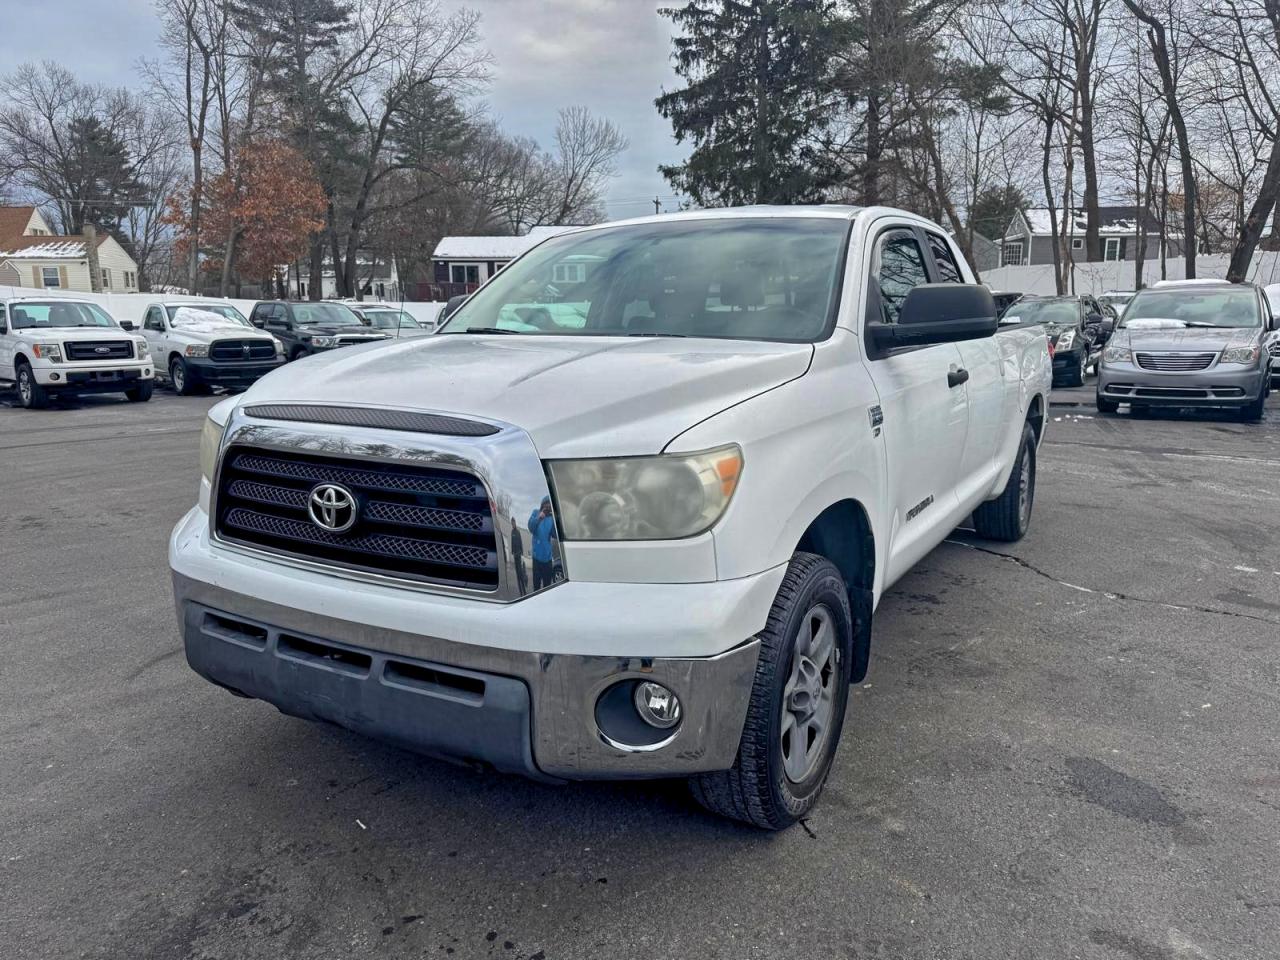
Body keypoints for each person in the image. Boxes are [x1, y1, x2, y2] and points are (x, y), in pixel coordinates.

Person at [527, 497, 557, 590]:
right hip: (536, 559)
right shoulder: (536, 512)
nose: (548, 507)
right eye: (546, 505)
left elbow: (555, 535)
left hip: (547, 560)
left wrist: (557, 520)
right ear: (542, 505)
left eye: (550, 506)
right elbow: (531, 527)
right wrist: (539, 517)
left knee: (547, 587)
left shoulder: (552, 519)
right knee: (536, 586)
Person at [509, 516, 528, 595]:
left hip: (519, 555)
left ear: (515, 522)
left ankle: (524, 591)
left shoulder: (518, 532)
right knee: (517, 575)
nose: (513, 524)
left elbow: (520, 543)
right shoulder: (512, 532)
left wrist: (522, 554)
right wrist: (512, 551)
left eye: (513, 522)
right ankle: (521, 592)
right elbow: (512, 542)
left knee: (521, 573)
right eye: (512, 523)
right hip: (515, 556)